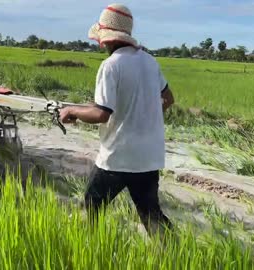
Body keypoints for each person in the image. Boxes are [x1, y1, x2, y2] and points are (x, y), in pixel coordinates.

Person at [59, 3, 175, 235]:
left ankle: (88, 248)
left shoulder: (111, 66)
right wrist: (145, 116)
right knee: (151, 213)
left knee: (92, 207)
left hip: (118, 157)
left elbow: (102, 114)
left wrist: (71, 111)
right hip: (148, 157)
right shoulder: (150, 62)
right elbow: (168, 98)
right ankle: (176, 254)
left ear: (106, 39)